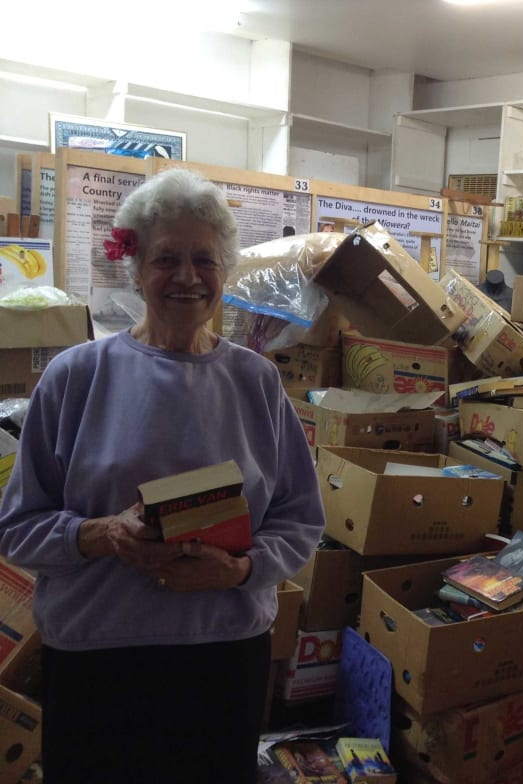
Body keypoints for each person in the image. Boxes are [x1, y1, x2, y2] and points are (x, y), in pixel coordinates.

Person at [0, 167, 325, 784]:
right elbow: (16, 529)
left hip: (224, 656)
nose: (186, 277)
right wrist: (100, 534)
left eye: (204, 259)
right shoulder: (75, 377)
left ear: (224, 272)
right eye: (165, 258)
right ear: (136, 267)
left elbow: (300, 520)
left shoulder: (256, 381)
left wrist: (240, 569)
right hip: (99, 658)